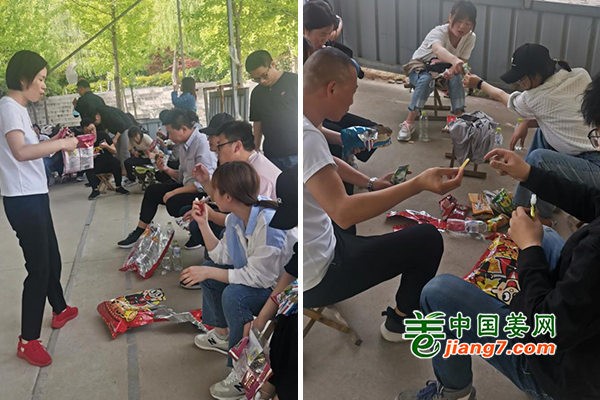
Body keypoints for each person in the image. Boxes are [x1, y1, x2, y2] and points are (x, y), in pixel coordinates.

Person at [395, 132, 600, 399]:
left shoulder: (594, 249)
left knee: (438, 294)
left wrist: (530, 248)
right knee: (548, 236)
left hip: (563, 372)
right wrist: (529, 175)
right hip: (582, 337)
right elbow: (593, 202)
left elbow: (545, 329)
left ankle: (453, 392)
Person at [303, 47, 463, 341]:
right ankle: (398, 325)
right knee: (427, 239)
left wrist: (371, 182)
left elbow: (326, 160)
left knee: (349, 218)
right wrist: (417, 184)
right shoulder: (307, 138)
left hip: (304, 251)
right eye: (352, 91)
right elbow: (344, 212)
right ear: (332, 88)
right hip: (317, 273)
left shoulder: (299, 120)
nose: (353, 100)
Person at [179, 161, 297, 400]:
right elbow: (221, 256)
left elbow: (260, 278)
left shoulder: (268, 223)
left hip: (281, 291)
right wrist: (203, 224)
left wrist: (208, 272)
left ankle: (242, 371)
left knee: (234, 296)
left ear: (228, 197)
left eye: (215, 189)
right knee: (209, 272)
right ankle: (224, 336)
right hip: (263, 280)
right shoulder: (236, 218)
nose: (211, 194)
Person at [0, 50, 80, 367]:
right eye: (41, 79)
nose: (44, 85)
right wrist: (61, 144)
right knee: (39, 268)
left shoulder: (18, 109)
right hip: (22, 200)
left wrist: (55, 139)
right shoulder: (8, 107)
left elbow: (30, 150)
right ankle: (27, 340)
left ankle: (59, 309)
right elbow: (20, 152)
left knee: (52, 257)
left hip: (34, 194)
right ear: (24, 79)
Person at [463, 43, 597, 225]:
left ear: (537, 74)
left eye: (522, 80)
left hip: (595, 166)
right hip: (590, 147)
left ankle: (533, 214)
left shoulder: (536, 97)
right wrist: (527, 122)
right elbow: (565, 117)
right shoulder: (580, 74)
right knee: (544, 134)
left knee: (538, 159)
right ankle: (535, 203)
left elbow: (503, 97)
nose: (521, 85)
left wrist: (478, 83)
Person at [117, 108, 216, 248]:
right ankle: (139, 231)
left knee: (173, 202)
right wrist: (165, 169)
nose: (169, 136)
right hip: (187, 186)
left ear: (183, 129)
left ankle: (198, 231)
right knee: (152, 190)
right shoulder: (183, 146)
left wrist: (173, 192)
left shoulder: (202, 144)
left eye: (170, 132)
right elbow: (181, 176)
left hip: (204, 193)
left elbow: (203, 184)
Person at [182, 120, 281, 251]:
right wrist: (205, 182)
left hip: (264, 238)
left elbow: (250, 222)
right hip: (248, 223)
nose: (216, 151)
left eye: (220, 146)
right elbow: (224, 199)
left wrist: (210, 215)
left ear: (237, 146)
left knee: (222, 232)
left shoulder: (259, 176)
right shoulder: (244, 167)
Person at [243, 164, 298, 400]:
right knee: (285, 319)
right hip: (300, 283)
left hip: (325, 272)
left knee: (292, 329)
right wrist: (259, 322)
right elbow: (290, 273)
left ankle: (282, 390)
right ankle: (272, 382)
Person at [398, 0, 477, 141]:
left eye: (468, 23)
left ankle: (458, 120)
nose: (462, 27)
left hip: (444, 67)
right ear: (450, 17)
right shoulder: (438, 32)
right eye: (459, 21)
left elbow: (463, 60)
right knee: (426, 79)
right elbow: (438, 50)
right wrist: (454, 61)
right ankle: (408, 123)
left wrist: (452, 69)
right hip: (420, 66)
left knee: (457, 78)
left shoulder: (470, 37)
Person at [246, 50, 298, 170]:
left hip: (296, 152)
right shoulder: (256, 93)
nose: (262, 81)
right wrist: (256, 151)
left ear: (273, 65)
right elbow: (257, 124)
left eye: (264, 75)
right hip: (272, 155)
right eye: (256, 79)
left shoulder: (295, 82)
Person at [82, 118, 130, 200]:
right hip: (95, 163)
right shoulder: (84, 140)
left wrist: (107, 146)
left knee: (116, 162)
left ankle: (119, 186)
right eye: (89, 131)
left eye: (93, 129)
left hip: (107, 161)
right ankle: (95, 190)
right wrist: (90, 156)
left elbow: (114, 151)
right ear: (84, 132)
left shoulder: (102, 135)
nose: (92, 132)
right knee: (88, 167)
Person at [93, 105, 134, 179]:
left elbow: (122, 126)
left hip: (125, 128)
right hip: (118, 131)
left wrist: (115, 138)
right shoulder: (103, 117)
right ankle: (120, 171)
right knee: (117, 152)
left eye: (95, 123)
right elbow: (107, 129)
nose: (96, 124)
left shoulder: (109, 113)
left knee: (124, 151)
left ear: (97, 117)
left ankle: (127, 172)